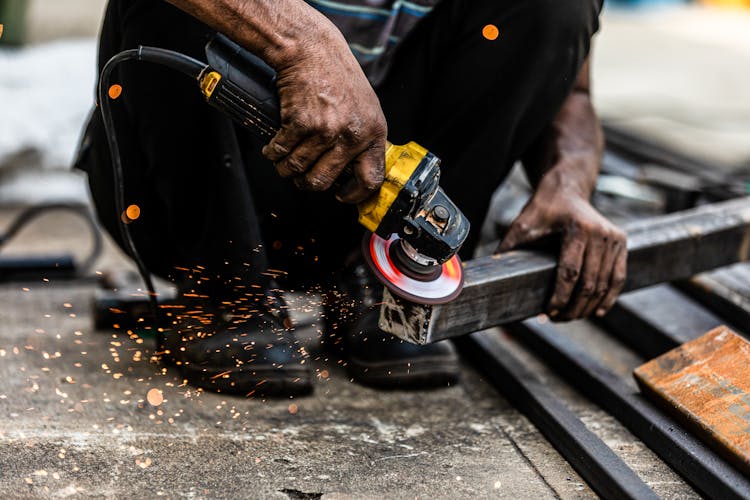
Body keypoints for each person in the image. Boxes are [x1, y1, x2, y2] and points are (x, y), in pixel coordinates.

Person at [75, 0, 626, 396]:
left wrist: (569, 179)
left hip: (356, 197)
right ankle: (224, 289)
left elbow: (572, 91)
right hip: (184, 187)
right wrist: (301, 43)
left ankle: (392, 285)